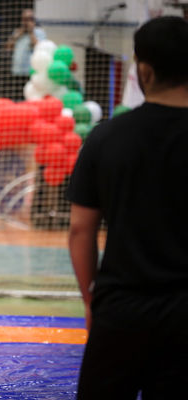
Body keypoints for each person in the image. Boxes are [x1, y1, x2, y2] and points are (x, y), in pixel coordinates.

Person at [67, 16, 188, 399]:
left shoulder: (106, 138)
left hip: (122, 308)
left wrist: (92, 300)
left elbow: (80, 230)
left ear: (144, 70)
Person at [4, 8, 47, 101]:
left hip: (31, 72)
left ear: (34, 20)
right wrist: (17, 36)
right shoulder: (17, 32)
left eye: (29, 19)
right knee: (16, 99)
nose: (26, 22)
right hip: (16, 71)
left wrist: (31, 32)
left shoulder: (39, 32)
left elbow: (40, 48)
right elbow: (8, 47)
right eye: (24, 19)